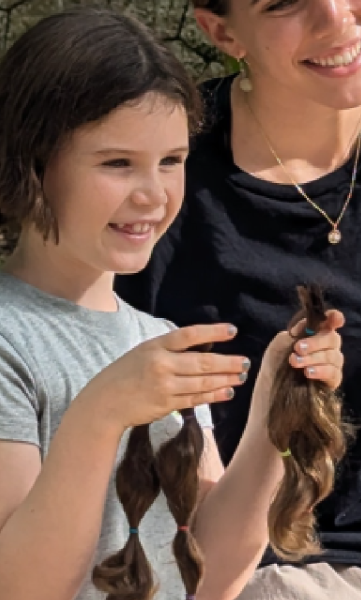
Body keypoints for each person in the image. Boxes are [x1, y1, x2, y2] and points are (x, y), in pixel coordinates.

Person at [0, 7, 344, 600]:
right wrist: (101, 413)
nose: (153, 194)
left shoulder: (154, 337)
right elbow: (20, 590)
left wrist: (273, 411)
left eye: (172, 161)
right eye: (117, 163)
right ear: (32, 161)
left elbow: (207, 575)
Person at [115, 1, 361, 599]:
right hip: (246, 562)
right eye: (287, 3)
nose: (336, 18)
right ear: (221, 31)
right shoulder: (162, 170)